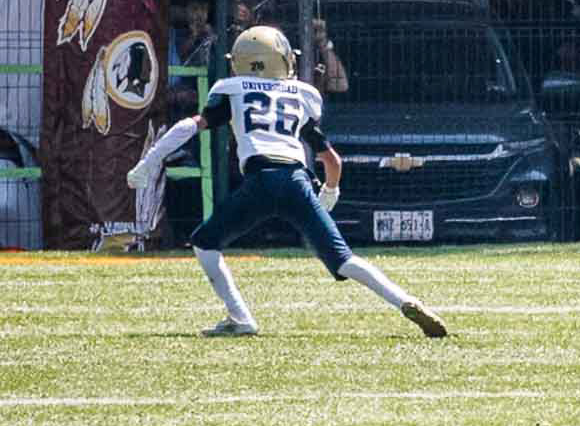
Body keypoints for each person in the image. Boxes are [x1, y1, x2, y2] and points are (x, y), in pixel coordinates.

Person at [123, 24, 448, 339]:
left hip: (261, 179)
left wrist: (147, 165)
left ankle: (240, 317)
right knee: (344, 259)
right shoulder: (300, 95)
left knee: (205, 243)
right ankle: (404, 300)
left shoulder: (232, 89)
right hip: (297, 179)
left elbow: (188, 126)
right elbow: (332, 161)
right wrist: (330, 191)